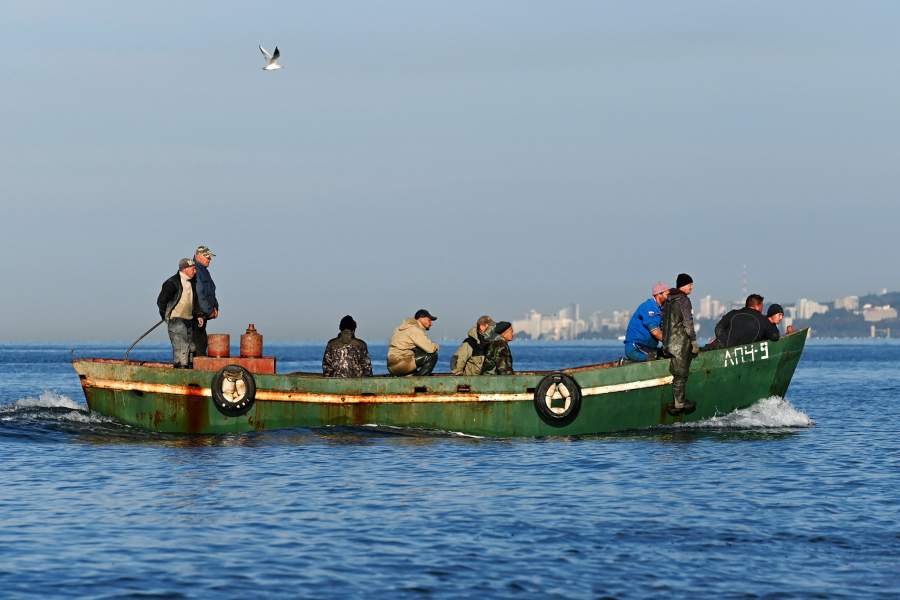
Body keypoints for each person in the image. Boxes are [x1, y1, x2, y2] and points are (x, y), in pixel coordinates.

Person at [661, 273, 698, 415]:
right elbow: (688, 323)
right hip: (679, 342)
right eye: (690, 285)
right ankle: (680, 403)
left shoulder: (668, 300)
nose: (692, 288)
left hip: (667, 343)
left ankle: (678, 400)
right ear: (684, 285)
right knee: (681, 374)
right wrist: (693, 341)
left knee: (676, 372)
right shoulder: (683, 300)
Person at [156, 258, 200, 368]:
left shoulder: (193, 283)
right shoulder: (172, 283)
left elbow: (195, 301)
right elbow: (161, 301)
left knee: (192, 347)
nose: (195, 271)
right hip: (176, 320)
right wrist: (166, 317)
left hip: (189, 320)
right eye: (193, 269)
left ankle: (189, 368)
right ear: (185, 269)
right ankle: (181, 369)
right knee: (181, 347)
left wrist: (199, 315)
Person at [706, 294, 780, 349]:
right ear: (757, 306)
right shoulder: (763, 319)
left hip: (724, 349)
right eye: (762, 306)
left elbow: (718, 329)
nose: (762, 309)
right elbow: (775, 336)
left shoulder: (733, 313)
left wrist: (724, 342)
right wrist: (772, 322)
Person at [623, 282, 670, 361]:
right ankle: (626, 363)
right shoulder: (649, 307)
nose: (669, 297)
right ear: (659, 294)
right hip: (636, 348)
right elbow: (655, 332)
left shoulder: (661, 309)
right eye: (667, 294)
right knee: (654, 359)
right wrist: (670, 342)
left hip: (649, 349)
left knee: (667, 355)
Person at [387, 309, 440, 376]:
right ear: (421, 319)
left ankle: (411, 374)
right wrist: (436, 346)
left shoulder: (403, 328)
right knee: (432, 356)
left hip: (393, 366)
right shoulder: (414, 330)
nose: (431, 324)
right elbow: (431, 349)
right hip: (400, 365)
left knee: (420, 350)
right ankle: (420, 381)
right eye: (429, 320)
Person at [192, 245, 219, 356]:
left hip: (203, 314)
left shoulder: (204, 271)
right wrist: (209, 311)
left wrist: (216, 308)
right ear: (199, 256)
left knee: (201, 343)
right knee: (199, 344)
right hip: (197, 315)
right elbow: (199, 294)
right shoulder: (196, 270)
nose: (210, 259)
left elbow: (210, 291)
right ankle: (196, 368)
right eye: (208, 257)